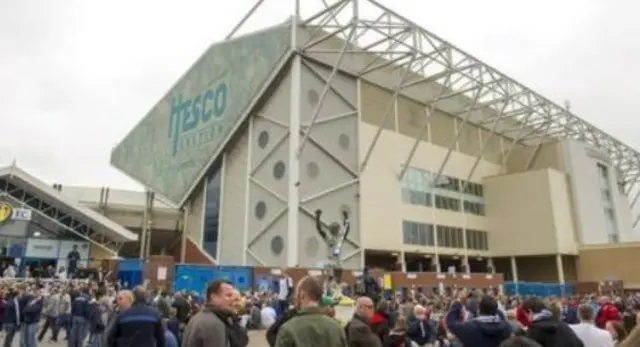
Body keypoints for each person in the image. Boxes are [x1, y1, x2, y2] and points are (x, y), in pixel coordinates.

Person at [275, 276, 347, 347]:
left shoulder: (288, 330)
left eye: (296, 295)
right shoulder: (337, 328)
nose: (295, 299)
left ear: (303, 295)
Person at [182, 280, 240, 347]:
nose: (232, 299)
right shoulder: (213, 324)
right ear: (214, 297)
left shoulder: (199, 318)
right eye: (228, 295)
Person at [445, 291, 512, 347]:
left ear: (479, 310)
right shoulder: (506, 327)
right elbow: (498, 313)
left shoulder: (470, 328)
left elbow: (450, 322)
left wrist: (458, 301)